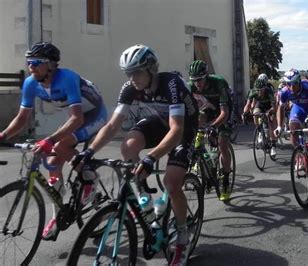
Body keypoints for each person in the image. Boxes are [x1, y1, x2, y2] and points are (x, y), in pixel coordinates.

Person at [72, 44, 198, 265]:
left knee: (171, 182)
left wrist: (152, 157)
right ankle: (144, 202)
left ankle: (182, 236)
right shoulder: (130, 87)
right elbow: (112, 126)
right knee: (128, 147)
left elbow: (176, 130)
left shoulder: (171, 84)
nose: (132, 78)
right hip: (158, 121)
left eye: (137, 72)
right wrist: (90, 152)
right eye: (128, 73)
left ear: (151, 69)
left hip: (183, 127)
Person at [0, 42, 107, 241]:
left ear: (51, 65)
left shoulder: (67, 78)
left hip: (93, 115)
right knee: (52, 165)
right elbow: (22, 118)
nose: (31, 67)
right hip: (75, 118)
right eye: (28, 62)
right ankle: (58, 214)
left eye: (36, 63)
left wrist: (49, 139)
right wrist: (3, 135)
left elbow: (78, 119)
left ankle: (90, 179)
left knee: (59, 145)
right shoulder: (31, 83)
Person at [187, 60, 233, 201]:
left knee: (222, 144)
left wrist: (213, 127)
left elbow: (224, 113)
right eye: (194, 80)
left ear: (206, 76)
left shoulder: (218, 83)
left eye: (199, 80)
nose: (197, 84)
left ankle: (225, 178)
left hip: (224, 111)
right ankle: (202, 155)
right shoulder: (191, 87)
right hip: (208, 109)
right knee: (198, 119)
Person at [274, 69, 308, 177]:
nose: (292, 87)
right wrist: (279, 126)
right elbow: (280, 109)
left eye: (294, 84)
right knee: (293, 130)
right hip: (298, 108)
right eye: (289, 84)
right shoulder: (284, 92)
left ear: (299, 81)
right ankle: (299, 156)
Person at [242, 76, 277, 156]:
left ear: (265, 88)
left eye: (261, 90)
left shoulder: (269, 91)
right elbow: (248, 105)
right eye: (258, 90)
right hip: (260, 105)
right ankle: (260, 131)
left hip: (269, 106)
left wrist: (270, 111)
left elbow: (274, 107)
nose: (259, 92)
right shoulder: (252, 92)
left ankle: (273, 146)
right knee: (255, 113)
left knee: (271, 124)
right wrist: (244, 113)